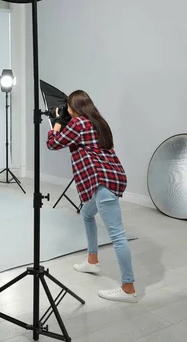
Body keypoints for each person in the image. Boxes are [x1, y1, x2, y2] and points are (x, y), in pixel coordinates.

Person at [46, 90, 137, 303]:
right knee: (87, 214)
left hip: (101, 182)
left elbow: (53, 143)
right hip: (110, 176)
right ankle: (92, 260)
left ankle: (128, 288)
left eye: (68, 107)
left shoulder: (78, 124)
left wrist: (57, 122)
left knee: (117, 235)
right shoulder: (98, 122)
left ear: (73, 108)